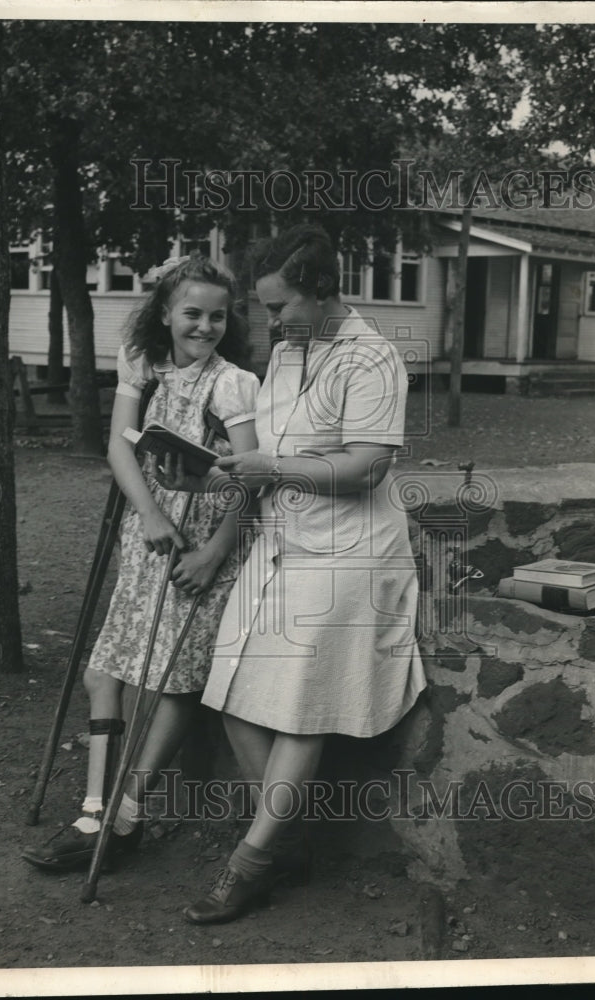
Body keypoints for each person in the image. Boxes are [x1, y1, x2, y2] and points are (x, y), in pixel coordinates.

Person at [157, 224, 427, 924]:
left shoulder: (370, 359)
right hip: (281, 544)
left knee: (301, 708)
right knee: (234, 693)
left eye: (279, 307)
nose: (269, 321)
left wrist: (270, 467)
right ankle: (288, 842)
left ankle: (248, 865)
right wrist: (210, 468)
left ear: (322, 290)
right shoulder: (287, 354)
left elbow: (367, 466)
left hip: (350, 553)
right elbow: (269, 456)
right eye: (266, 308)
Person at [22, 255, 259, 873]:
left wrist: (213, 553)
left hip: (204, 545)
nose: (205, 326)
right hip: (149, 535)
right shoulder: (144, 367)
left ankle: (125, 814)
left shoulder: (232, 383)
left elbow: (251, 480)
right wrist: (150, 514)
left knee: (171, 678)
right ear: (164, 312)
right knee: (105, 672)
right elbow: (118, 446)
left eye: (217, 315)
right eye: (192, 313)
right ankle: (94, 809)